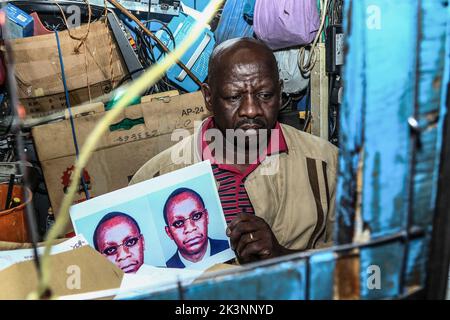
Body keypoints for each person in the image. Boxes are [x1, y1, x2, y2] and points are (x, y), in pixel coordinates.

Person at [130, 38, 338, 264]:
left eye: (265, 95)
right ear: (208, 97)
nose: (250, 110)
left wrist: (284, 257)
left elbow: (365, 260)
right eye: (234, 97)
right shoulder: (155, 179)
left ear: (280, 93)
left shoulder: (327, 165)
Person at [163, 187, 230, 268]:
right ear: (169, 233)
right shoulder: (167, 270)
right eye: (178, 223)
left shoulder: (230, 248)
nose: (190, 228)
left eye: (196, 216)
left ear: (207, 217)